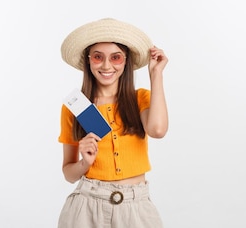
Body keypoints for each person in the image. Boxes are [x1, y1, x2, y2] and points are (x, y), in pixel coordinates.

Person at [57, 18, 169, 228]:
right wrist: (84, 163)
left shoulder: (140, 99)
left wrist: (156, 74)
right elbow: (68, 173)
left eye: (116, 58)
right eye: (98, 57)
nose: (106, 65)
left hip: (136, 207)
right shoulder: (75, 108)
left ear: (126, 61)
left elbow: (157, 130)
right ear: (88, 60)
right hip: (86, 207)